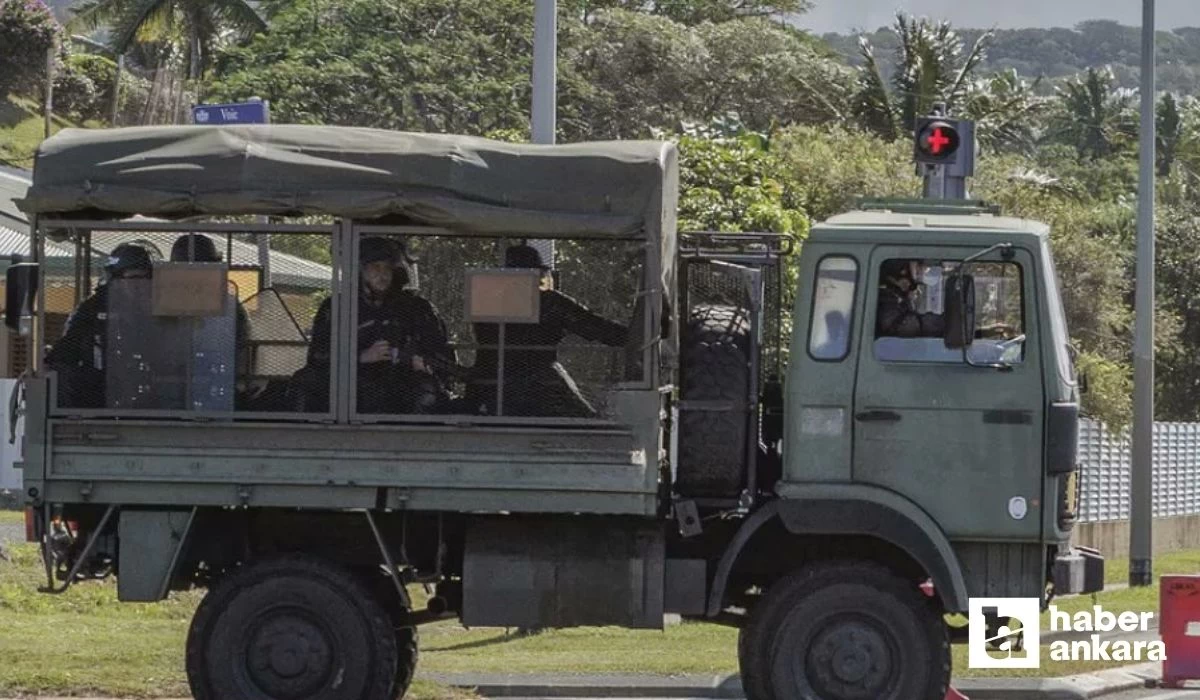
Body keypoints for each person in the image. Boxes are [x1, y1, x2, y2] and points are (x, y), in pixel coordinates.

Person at [466, 244, 629, 418]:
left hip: (491, 390)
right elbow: (597, 328)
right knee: (590, 426)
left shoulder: (487, 304)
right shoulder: (549, 303)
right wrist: (637, 335)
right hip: (540, 389)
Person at [298, 236, 450, 414]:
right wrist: (360, 357)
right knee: (304, 381)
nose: (382, 274)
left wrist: (422, 364)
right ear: (360, 270)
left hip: (402, 387)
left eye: (387, 268)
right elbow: (318, 355)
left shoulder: (416, 308)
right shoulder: (336, 307)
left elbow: (440, 351)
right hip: (350, 390)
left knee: (427, 392)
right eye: (375, 267)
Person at [45, 243, 152, 408]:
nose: (140, 286)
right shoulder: (91, 310)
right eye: (133, 278)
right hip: (97, 409)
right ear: (114, 279)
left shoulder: (159, 310)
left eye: (146, 279)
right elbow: (64, 354)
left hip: (150, 406)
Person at [169, 234, 254, 406]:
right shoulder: (165, 302)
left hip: (217, 383)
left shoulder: (229, 305)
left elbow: (240, 348)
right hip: (172, 385)